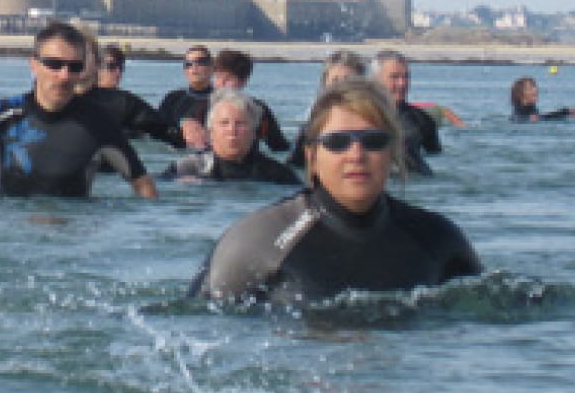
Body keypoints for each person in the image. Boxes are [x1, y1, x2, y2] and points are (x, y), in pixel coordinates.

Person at [190, 78, 481, 305]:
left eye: (374, 141)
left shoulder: (439, 240)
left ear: (392, 153)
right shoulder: (257, 241)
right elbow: (197, 324)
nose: (356, 154)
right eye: (338, 142)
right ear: (312, 156)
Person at [0, 21, 158, 199]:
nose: (64, 75)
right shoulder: (3, 114)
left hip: (74, 235)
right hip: (12, 230)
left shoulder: (97, 123)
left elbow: (143, 185)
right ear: (33, 64)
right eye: (54, 65)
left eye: (74, 67)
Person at [162, 88, 299, 185]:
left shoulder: (278, 175)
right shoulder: (185, 170)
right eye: (224, 123)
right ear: (211, 131)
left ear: (254, 131)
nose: (232, 130)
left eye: (240, 123)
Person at [84, 44, 181, 146]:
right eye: (111, 66)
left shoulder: (127, 102)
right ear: (96, 69)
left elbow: (160, 127)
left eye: (120, 67)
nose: (118, 72)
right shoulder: (123, 102)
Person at [288, 50, 367, 168]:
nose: (341, 87)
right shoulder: (311, 129)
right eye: (335, 81)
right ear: (324, 86)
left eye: (348, 80)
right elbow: (294, 167)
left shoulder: (373, 126)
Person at [371, 50, 441, 175]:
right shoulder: (360, 116)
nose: (402, 83)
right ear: (376, 80)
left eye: (406, 77)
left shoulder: (422, 119)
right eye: (394, 77)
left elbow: (436, 154)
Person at [210, 49, 290, 152]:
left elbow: (279, 146)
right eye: (217, 77)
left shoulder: (259, 109)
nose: (221, 83)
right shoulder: (203, 106)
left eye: (228, 79)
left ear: (243, 81)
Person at [156, 44, 213, 149]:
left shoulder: (221, 101)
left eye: (200, 62)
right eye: (188, 64)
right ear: (185, 71)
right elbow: (159, 132)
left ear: (211, 68)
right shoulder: (172, 99)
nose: (194, 67)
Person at [509, 76, 575, 122]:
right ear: (520, 93)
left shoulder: (531, 108)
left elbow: (543, 117)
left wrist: (566, 112)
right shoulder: (519, 109)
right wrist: (527, 119)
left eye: (534, 86)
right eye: (530, 88)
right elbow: (516, 118)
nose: (535, 89)